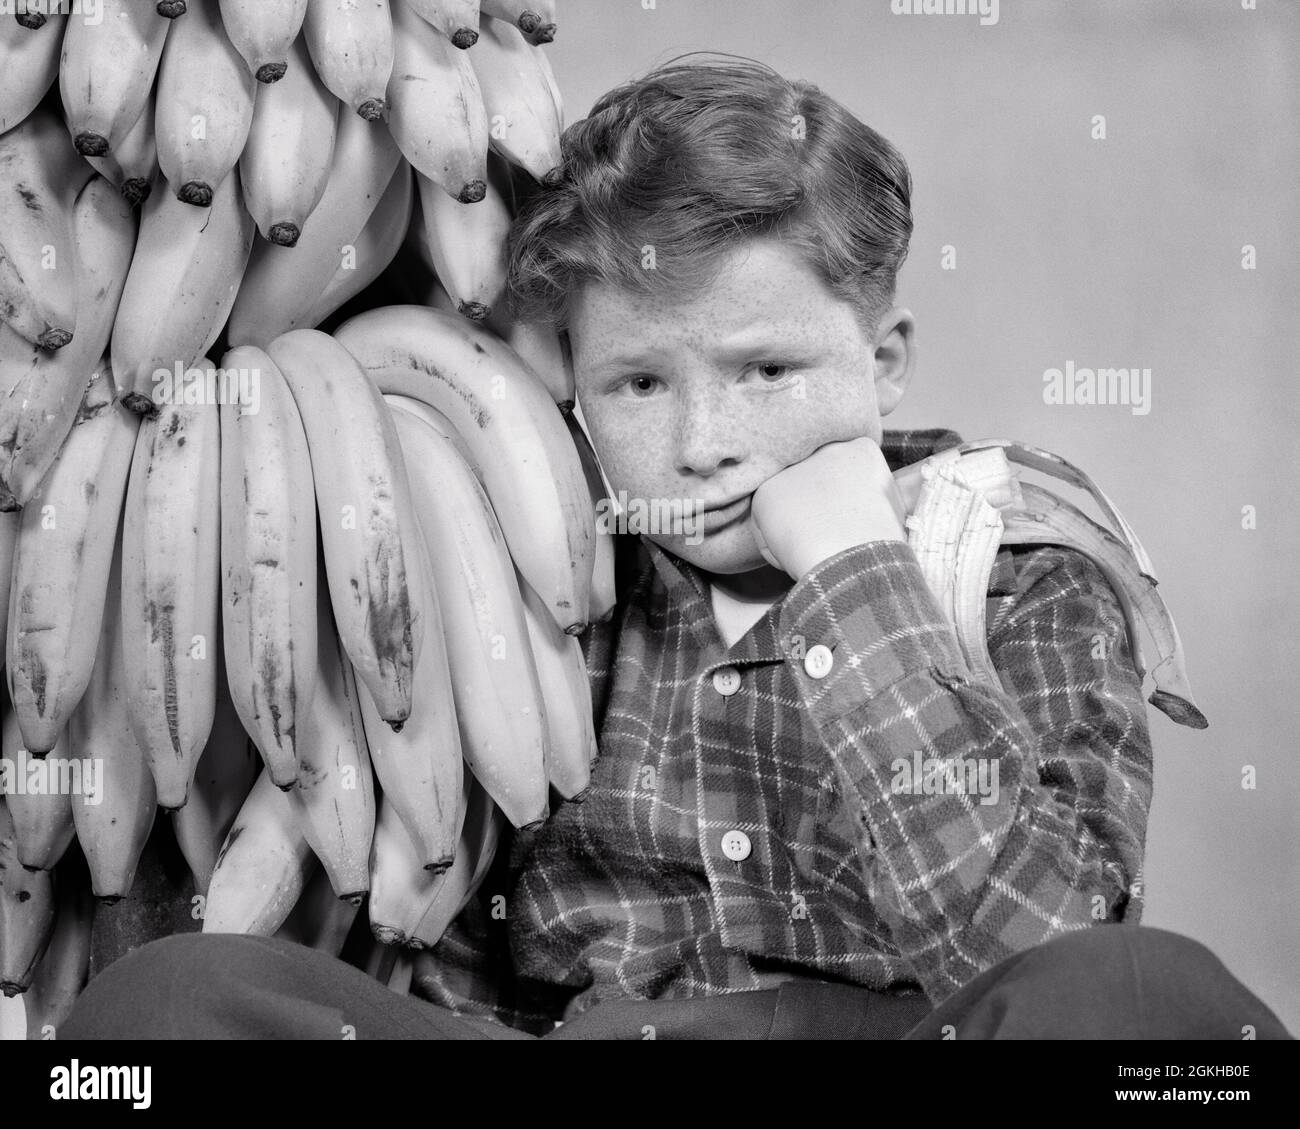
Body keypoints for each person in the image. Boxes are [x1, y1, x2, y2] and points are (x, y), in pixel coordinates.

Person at [62, 53, 1290, 1041]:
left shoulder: (1020, 560)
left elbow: (1044, 943)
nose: (706, 443)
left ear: (887, 359)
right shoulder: (539, 569)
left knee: (1150, 1007)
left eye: (767, 370)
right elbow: (456, 960)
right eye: (639, 384)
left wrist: (857, 576)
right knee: (156, 1014)